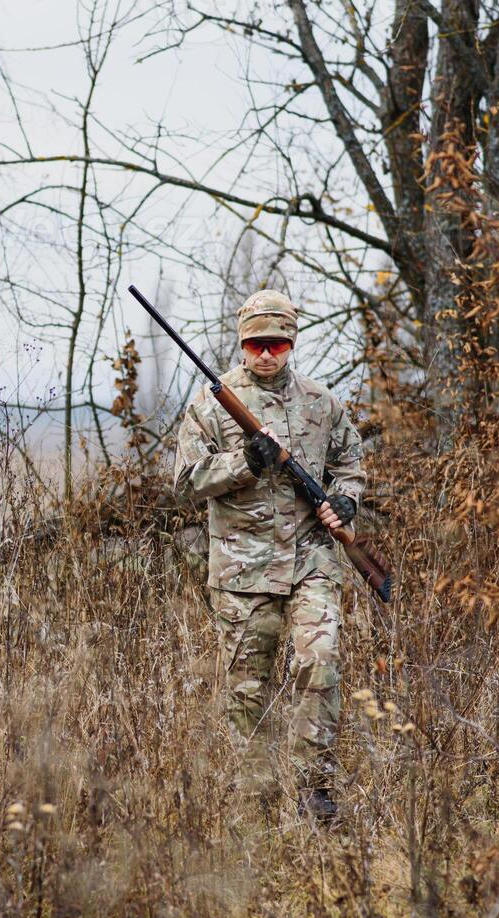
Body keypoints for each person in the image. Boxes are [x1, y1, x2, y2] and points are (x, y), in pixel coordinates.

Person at [173, 289, 364, 823]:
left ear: (291, 342)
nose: (266, 354)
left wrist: (346, 500)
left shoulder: (323, 403)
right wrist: (245, 463)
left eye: (276, 343)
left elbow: (350, 462)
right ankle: (254, 803)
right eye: (256, 344)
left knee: (319, 660)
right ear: (242, 345)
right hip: (242, 569)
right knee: (247, 690)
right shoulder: (210, 405)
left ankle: (314, 791)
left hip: (311, 560)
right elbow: (186, 481)